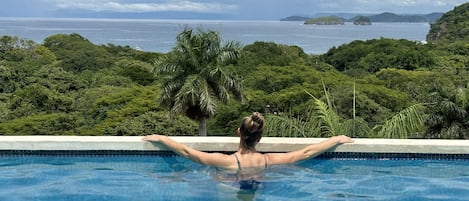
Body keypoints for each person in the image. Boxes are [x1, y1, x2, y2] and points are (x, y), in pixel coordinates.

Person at [142, 112, 354, 190]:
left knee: (217, 178)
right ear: (259, 138)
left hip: (231, 187)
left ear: (238, 133)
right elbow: (307, 152)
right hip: (259, 183)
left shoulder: (225, 161)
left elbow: (187, 152)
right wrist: (336, 138)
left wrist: (161, 137)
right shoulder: (269, 161)